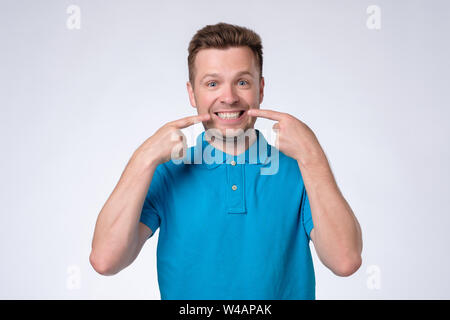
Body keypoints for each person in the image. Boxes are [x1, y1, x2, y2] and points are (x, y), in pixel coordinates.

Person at [89, 22, 363, 300]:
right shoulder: (166, 173)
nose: (229, 97)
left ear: (261, 88)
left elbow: (345, 261)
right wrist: (144, 157)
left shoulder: (300, 169)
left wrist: (312, 156)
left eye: (242, 82)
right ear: (192, 93)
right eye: (212, 83)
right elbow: (106, 260)